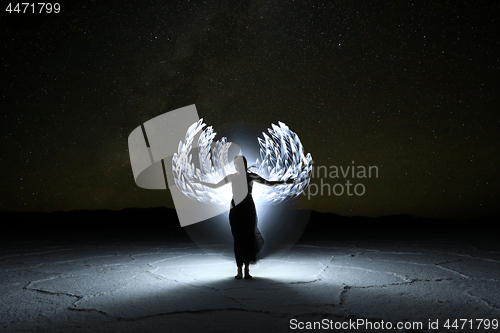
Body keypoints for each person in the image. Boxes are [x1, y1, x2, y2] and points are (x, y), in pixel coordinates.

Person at [193, 155, 294, 279]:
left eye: (239, 163)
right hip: (236, 211)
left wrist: (285, 182)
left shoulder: (250, 176)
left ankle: (245, 270)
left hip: (247, 210)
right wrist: (199, 182)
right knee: (239, 240)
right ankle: (240, 270)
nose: (238, 165)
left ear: (243, 164)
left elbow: (269, 183)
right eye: (236, 163)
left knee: (247, 239)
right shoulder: (233, 177)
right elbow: (215, 186)